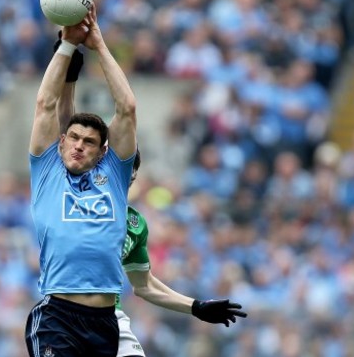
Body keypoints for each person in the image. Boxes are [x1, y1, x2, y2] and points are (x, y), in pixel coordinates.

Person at [54, 35, 248, 357]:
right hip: (64, 318)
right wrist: (71, 70)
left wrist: (196, 306)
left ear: (131, 176)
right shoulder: (68, 188)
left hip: (110, 320)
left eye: (125, 168)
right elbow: (66, 122)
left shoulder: (132, 224)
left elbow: (143, 286)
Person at [25, 4, 138, 357]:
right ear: (61, 142)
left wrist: (99, 45)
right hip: (59, 316)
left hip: (105, 321)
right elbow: (45, 104)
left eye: (89, 142)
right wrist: (68, 46)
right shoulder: (48, 172)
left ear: (102, 151)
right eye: (73, 138)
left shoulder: (114, 175)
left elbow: (127, 109)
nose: (78, 146)